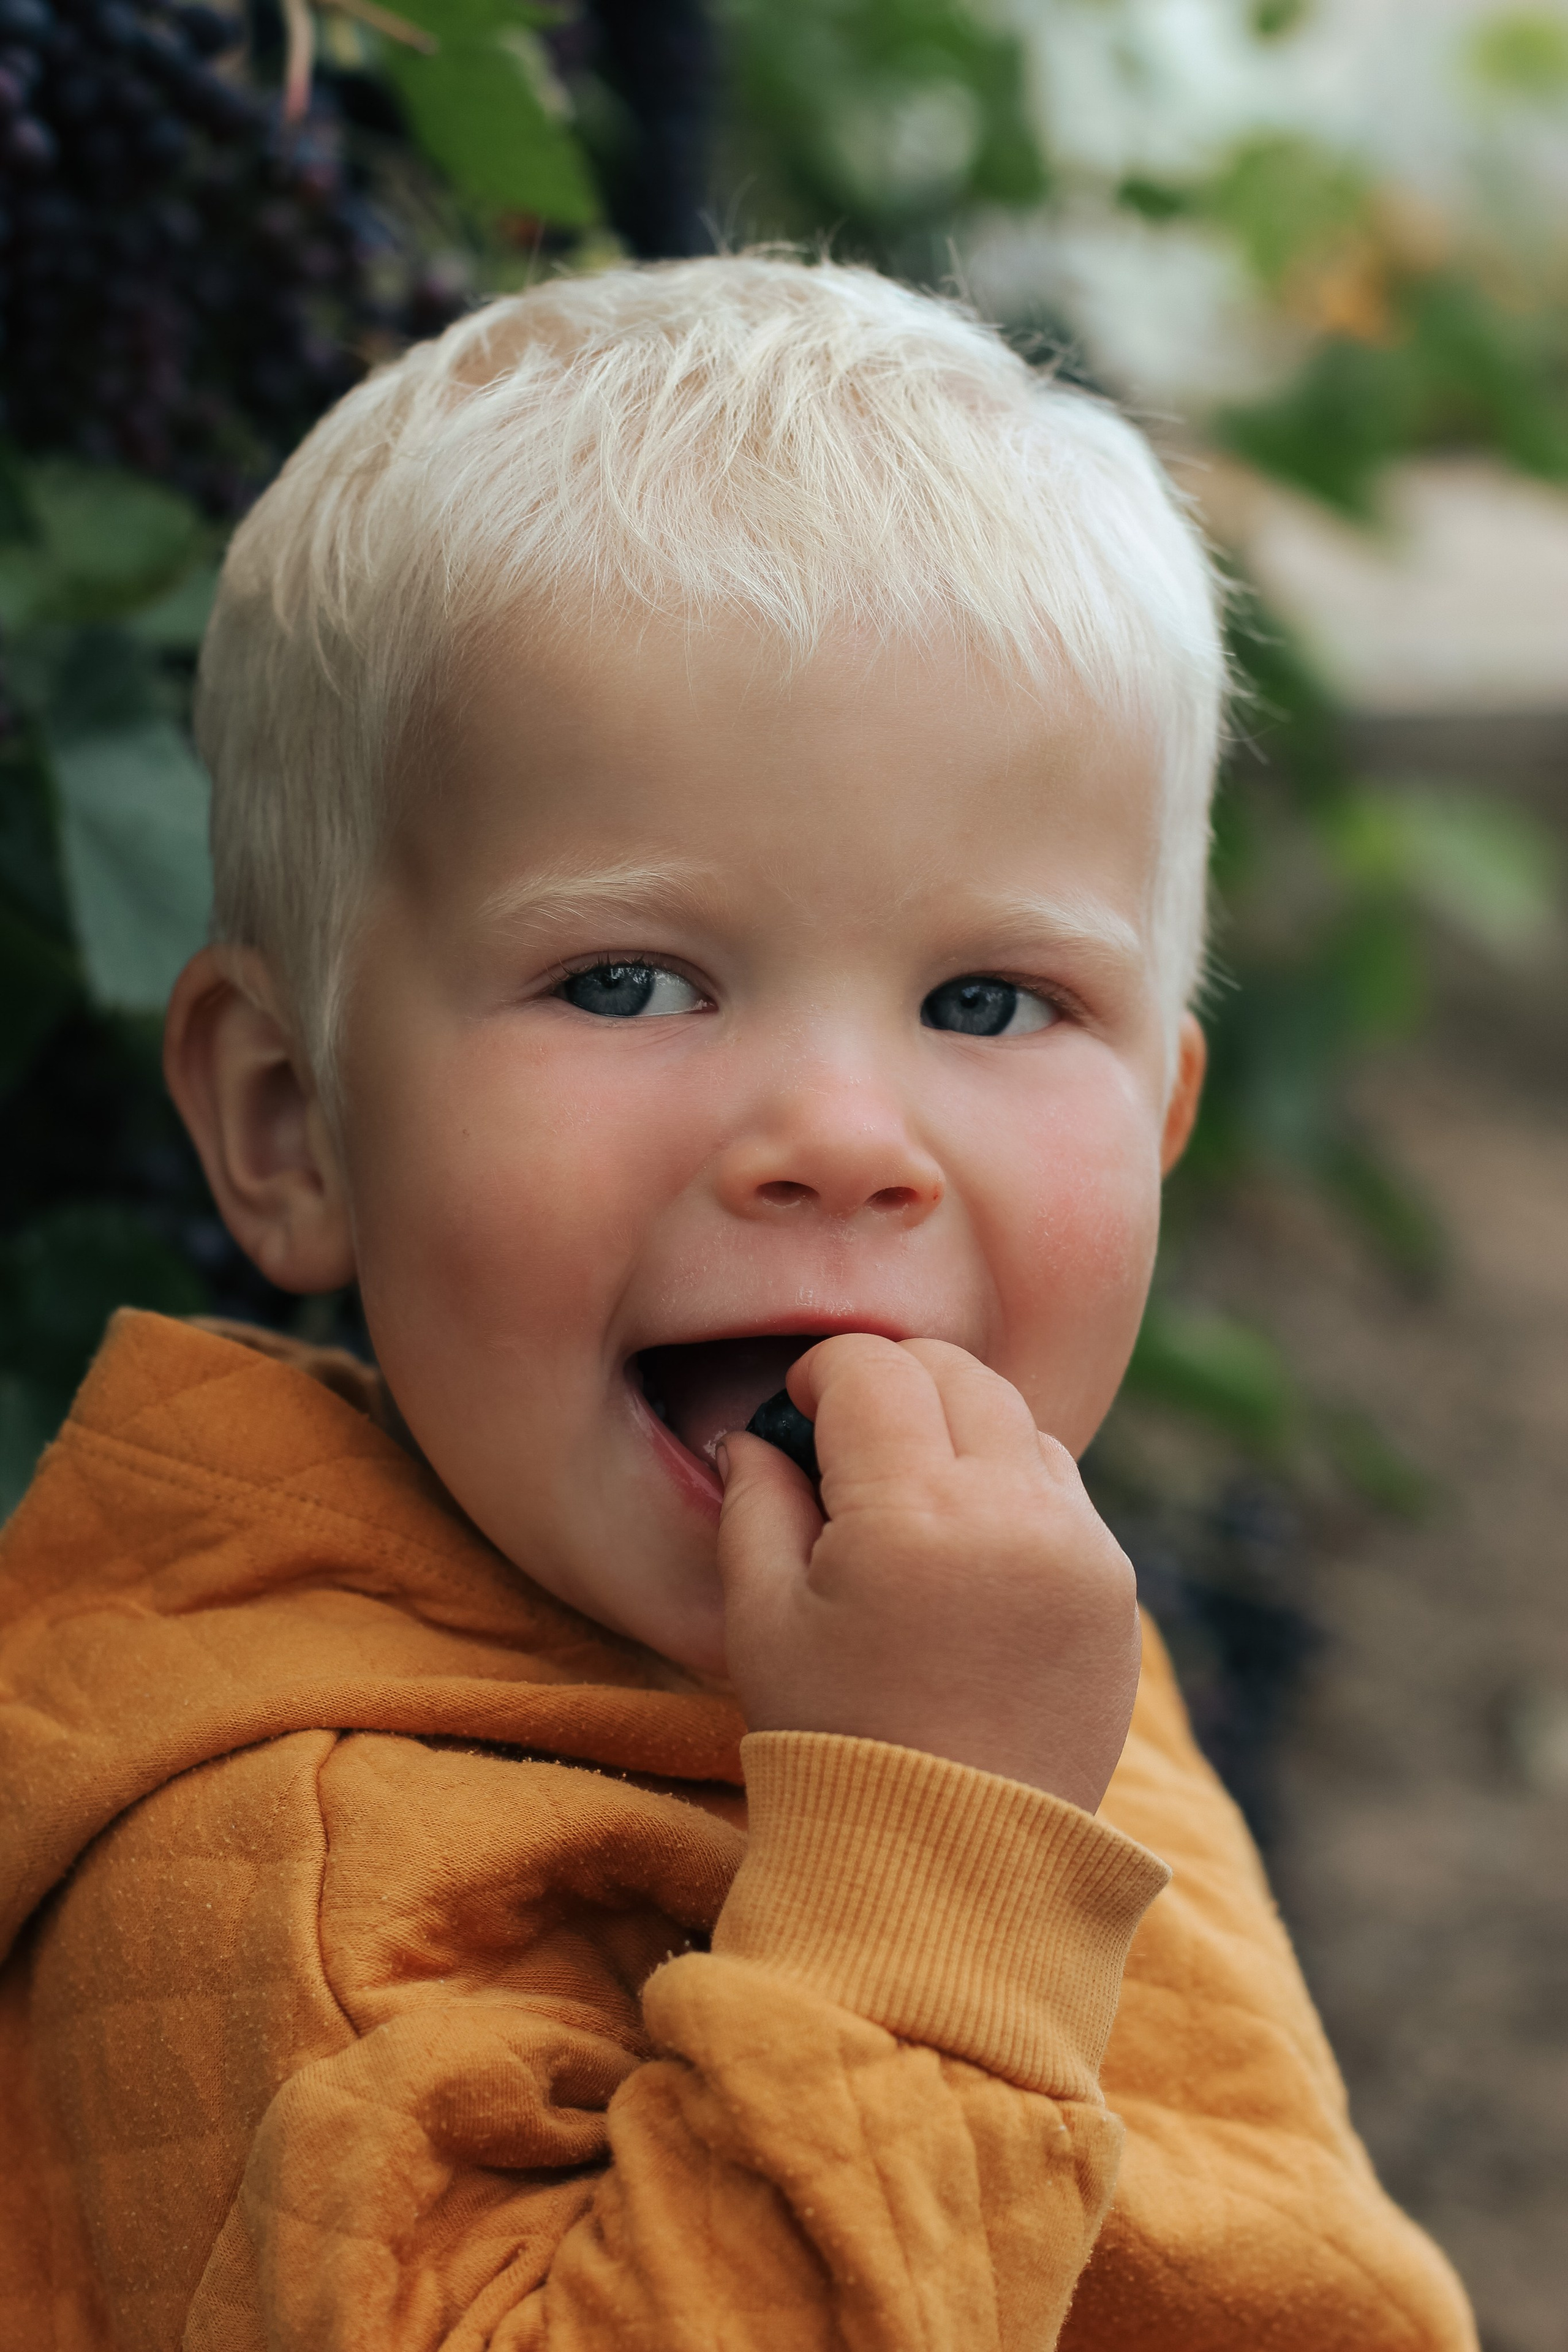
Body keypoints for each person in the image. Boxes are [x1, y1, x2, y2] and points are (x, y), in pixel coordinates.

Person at [0, 256, 1476, 2350]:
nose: (842, 1137)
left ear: (1161, 1119)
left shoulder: (983, 1634)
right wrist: (930, 1857)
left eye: (992, 1001)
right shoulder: (291, 1852)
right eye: (629, 980)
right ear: (292, 1119)